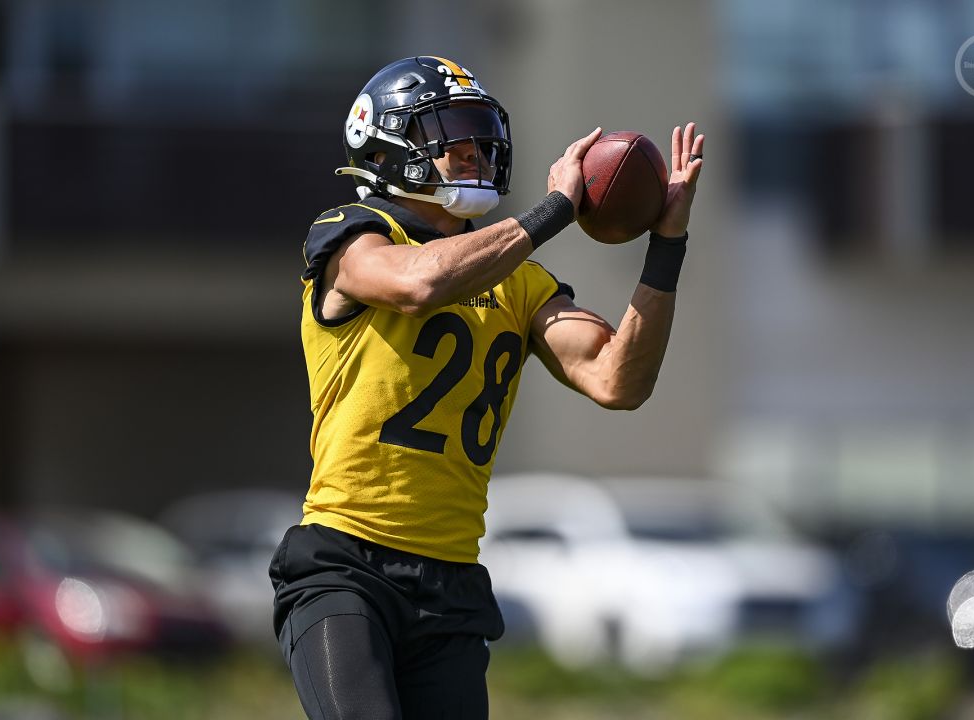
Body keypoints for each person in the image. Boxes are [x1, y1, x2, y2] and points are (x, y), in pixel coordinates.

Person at [269, 55, 704, 720]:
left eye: (479, 134)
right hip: (344, 565)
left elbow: (620, 380)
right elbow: (418, 283)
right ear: (388, 142)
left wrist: (666, 245)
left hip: (450, 582)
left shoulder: (523, 283)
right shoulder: (355, 237)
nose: (472, 150)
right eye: (451, 133)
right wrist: (556, 208)